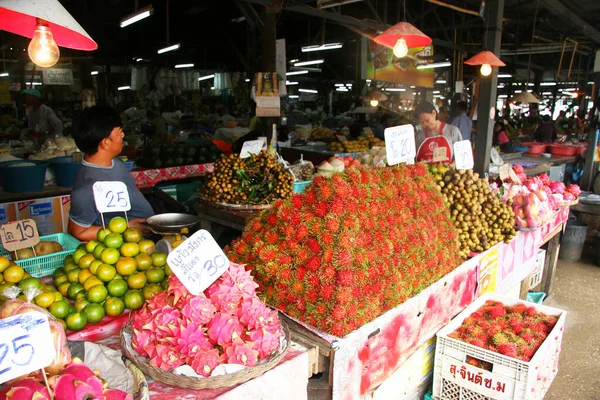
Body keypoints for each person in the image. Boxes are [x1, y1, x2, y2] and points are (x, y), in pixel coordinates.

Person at [68, 106, 153, 242]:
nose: (123, 135)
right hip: (126, 249)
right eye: (119, 132)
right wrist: (127, 227)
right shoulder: (87, 187)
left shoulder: (113, 161)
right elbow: (77, 232)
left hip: (145, 238)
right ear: (105, 143)